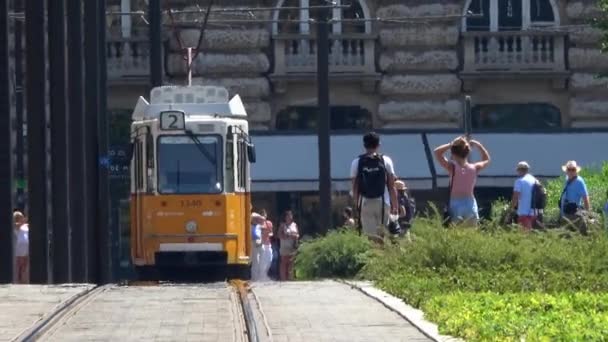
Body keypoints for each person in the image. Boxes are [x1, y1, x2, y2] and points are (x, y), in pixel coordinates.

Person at [350, 132, 398, 242]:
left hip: (365, 202)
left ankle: (373, 256)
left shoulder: (357, 162)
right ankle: (383, 257)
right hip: (383, 201)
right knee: (383, 235)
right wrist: (395, 206)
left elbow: (355, 187)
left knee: (371, 238)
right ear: (378, 145)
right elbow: (391, 186)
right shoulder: (386, 160)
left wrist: (356, 207)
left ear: (364, 145)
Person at [433, 136, 491, 227]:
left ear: (453, 153)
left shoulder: (452, 167)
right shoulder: (474, 168)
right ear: (467, 153)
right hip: (470, 204)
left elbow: (437, 152)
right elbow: (487, 159)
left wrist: (451, 144)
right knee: (471, 235)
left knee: (455, 234)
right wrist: (478, 145)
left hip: (455, 204)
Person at [559, 160, 591, 234]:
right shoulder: (567, 179)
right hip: (566, 212)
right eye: (569, 169)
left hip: (575, 213)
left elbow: (585, 198)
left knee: (579, 235)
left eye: (573, 169)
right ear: (566, 170)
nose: (571, 171)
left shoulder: (579, 181)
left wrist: (588, 214)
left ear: (576, 171)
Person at [511, 161, 540, 231]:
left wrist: (511, 209)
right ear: (527, 170)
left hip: (524, 213)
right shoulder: (535, 180)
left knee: (524, 236)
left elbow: (515, 197)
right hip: (535, 213)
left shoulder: (519, 181)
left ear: (519, 170)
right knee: (531, 234)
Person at [279, 210, 299, 281]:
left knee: (291, 261)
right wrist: (286, 236)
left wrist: (294, 236)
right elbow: (279, 235)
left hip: (292, 245)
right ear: (285, 217)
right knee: (284, 262)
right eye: (288, 216)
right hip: (284, 245)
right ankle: (283, 278)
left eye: (291, 215)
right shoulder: (282, 225)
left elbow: (297, 234)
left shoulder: (294, 224)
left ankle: (290, 277)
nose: (289, 217)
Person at [256, 209, 273, 282]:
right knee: (261, 261)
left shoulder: (268, 223)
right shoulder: (257, 224)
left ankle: (264, 275)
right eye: (262, 215)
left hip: (268, 243)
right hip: (261, 244)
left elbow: (271, 233)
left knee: (269, 259)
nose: (264, 216)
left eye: (264, 215)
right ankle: (261, 277)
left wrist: (268, 234)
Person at [13, 211, 29, 284]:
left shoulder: (25, 226)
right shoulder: (15, 225)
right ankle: (18, 280)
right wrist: (24, 221)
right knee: (19, 265)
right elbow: (18, 225)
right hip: (19, 249)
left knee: (25, 265)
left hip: (26, 248)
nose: (22, 218)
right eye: (20, 217)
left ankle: (24, 280)